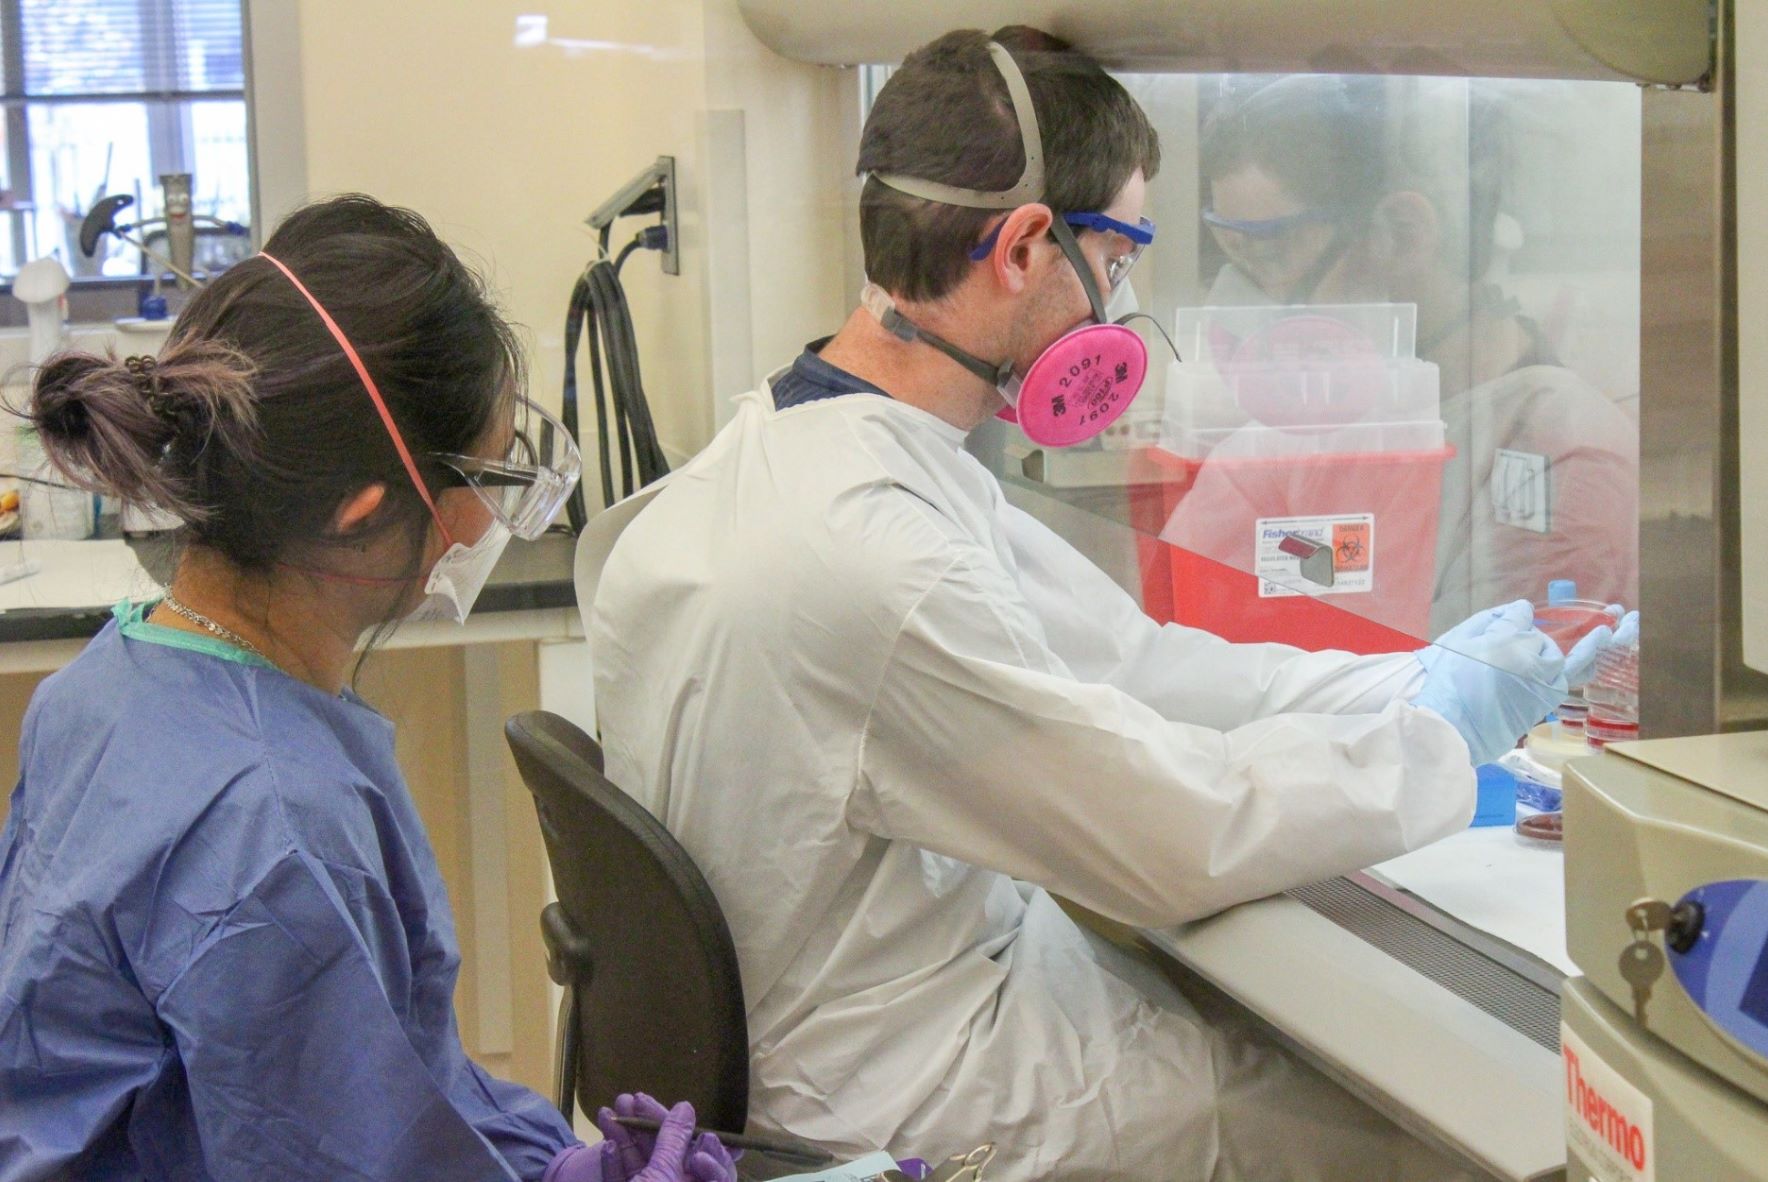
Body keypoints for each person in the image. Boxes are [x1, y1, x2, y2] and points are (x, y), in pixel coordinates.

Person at [586, 29, 1608, 1181]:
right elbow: (1175, 835)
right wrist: (1435, 753)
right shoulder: (873, 554)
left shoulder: (795, 448)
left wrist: (1414, 680)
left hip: (876, 1014)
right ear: (1025, 247)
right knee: (1431, 1133)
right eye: (1117, 259)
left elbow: (1137, 664)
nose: (1119, 305)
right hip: (905, 1091)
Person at [0, 195, 734, 1182]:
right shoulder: (273, 821)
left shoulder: (109, 685)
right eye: (488, 475)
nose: (483, 529)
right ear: (362, 511)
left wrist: (550, 1163)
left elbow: (389, 1085)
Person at [1185, 74, 1639, 633]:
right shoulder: (1308, 427)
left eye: (1273, 258)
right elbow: (1193, 632)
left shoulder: (1558, 446)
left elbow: (1486, 692)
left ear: (1402, 234)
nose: (1247, 300)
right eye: (1237, 258)